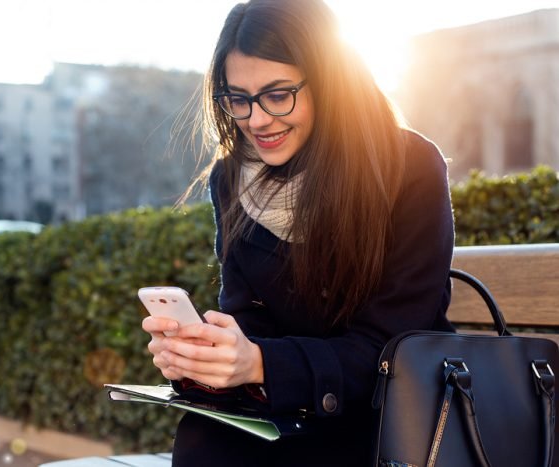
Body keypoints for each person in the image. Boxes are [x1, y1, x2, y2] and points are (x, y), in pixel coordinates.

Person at [142, 0, 455, 465]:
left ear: (329, 84)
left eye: (278, 93)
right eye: (239, 98)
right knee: (204, 441)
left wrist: (262, 363)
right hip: (287, 410)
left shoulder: (408, 167)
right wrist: (207, 358)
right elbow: (249, 316)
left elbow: (393, 347)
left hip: (389, 416)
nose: (257, 119)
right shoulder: (231, 177)